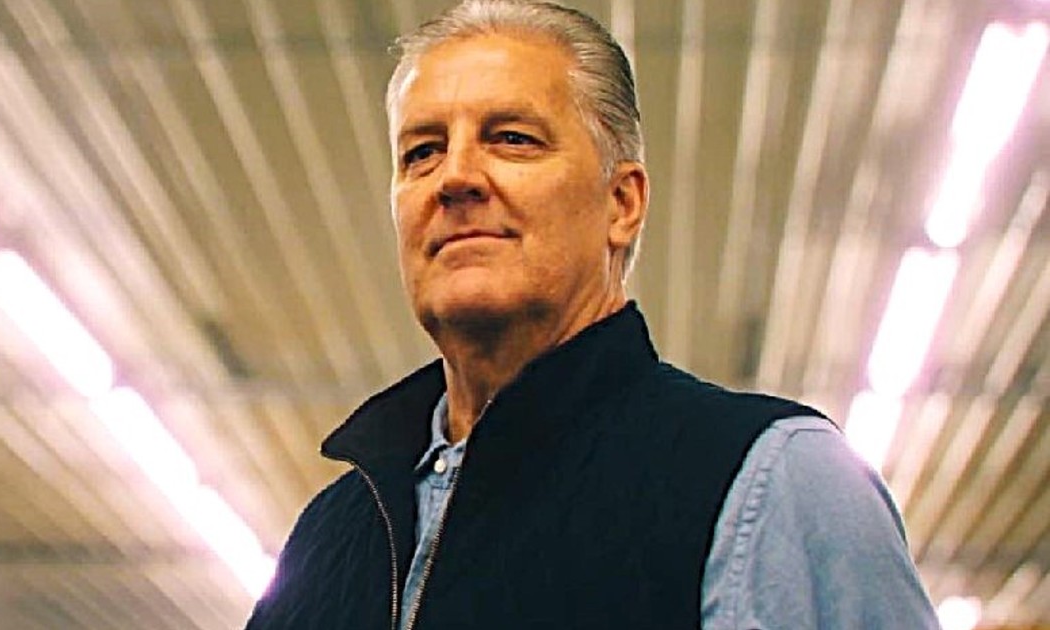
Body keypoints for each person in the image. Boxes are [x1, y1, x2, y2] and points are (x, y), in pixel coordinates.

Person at [246, 1, 939, 628]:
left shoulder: (771, 481)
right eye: (422, 152)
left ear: (622, 203)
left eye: (512, 138)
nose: (454, 177)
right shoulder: (328, 540)